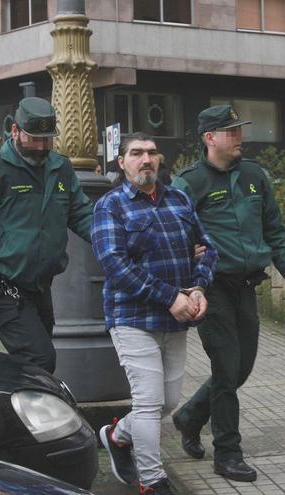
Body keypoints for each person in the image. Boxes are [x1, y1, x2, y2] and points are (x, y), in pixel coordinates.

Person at [171, 105, 285, 482]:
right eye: (231, 132)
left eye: (239, 130)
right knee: (226, 371)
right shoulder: (188, 184)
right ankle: (227, 453)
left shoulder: (254, 177)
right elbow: (174, 236)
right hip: (211, 288)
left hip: (247, 285)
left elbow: (273, 228)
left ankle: (189, 416)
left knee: (241, 368)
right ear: (209, 138)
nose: (240, 138)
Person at [91, 132, 218, 495]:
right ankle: (152, 481)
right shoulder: (110, 205)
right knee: (147, 402)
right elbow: (115, 264)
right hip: (131, 317)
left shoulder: (178, 198)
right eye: (136, 153)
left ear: (159, 159)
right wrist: (170, 297)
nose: (145, 159)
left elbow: (207, 247)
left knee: (169, 402)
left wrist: (197, 288)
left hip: (177, 316)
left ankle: (117, 436)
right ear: (122, 162)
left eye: (151, 153)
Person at [0, 97, 93, 374]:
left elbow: (83, 215)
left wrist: (115, 241)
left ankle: (11, 410)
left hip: (40, 285)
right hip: (1, 284)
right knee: (39, 359)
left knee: (32, 361)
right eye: (34, 138)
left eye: (47, 139)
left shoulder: (60, 167)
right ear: (15, 131)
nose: (40, 146)